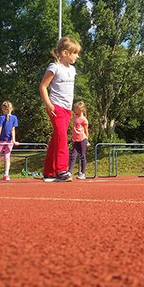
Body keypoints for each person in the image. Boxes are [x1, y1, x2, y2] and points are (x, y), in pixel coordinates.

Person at [40, 37, 81, 183]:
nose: (77, 56)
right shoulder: (54, 67)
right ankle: (61, 170)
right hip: (56, 107)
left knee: (56, 138)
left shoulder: (73, 69)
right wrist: (48, 104)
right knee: (62, 137)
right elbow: (43, 86)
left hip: (67, 109)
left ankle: (49, 171)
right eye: (75, 53)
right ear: (65, 53)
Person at [68, 100, 90, 180]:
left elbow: (86, 131)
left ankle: (83, 173)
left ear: (80, 109)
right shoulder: (74, 118)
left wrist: (87, 140)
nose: (75, 110)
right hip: (75, 140)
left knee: (82, 156)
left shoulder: (84, 120)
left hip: (82, 139)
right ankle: (69, 172)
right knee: (73, 156)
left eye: (76, 108)